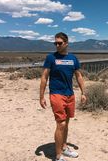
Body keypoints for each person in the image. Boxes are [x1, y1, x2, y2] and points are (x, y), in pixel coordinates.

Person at [39, 32, 86, 161]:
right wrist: (41, 96)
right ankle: (58, 155)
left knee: (67, 123)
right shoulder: (51, 58)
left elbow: (79, 76)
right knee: (61, 124)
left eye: (60, 43)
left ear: (66, 43)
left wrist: (83, 93)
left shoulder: (73, 59)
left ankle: (64, 148)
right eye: (55, 43)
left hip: (70, 95)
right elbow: (44, 77)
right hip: (56, 94)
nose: (57, 45)